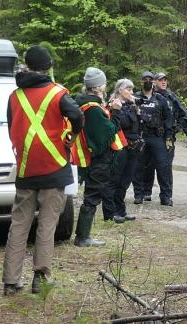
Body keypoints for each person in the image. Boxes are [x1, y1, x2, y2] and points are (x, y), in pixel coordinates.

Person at [3, 45, 83, 295]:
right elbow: (78, 116)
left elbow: (13, 127)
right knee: (47, 225)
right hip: (54, 168)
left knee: (18, 225)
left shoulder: (14, 96)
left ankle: (10, 282)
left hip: (26, 169)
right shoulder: (58, 93)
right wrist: (70, 137)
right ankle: (40, 278)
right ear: (48, 66)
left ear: (26, 65)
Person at [72, 67, 124, 247]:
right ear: (97, 87)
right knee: (92, 195)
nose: (105, 85)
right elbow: (107, 133)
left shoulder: (88, 103)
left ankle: (83, 235)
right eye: (104, 83)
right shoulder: (92, 108)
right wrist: (116, 112)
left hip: (93, 157)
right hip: (98, 158)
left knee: (92, 194)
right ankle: (83, 237)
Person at [140, 72, 187, 206]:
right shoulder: (148, 95)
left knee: (165, 166)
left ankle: (166, 195)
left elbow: (184, 115)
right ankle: (146, 191)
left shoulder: (171, 97)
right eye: (161, 80)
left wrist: (175, 129)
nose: (164, 82)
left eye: (165, 80)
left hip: (167, 137)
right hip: (150, 135)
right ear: (154, 82)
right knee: (147, 164)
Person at [102, 79, 140, 223]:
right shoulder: (113, 104)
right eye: (128, 89)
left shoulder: (132, 105)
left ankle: (121, 211)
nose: (131, 93)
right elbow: (121, 124)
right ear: (119, 90)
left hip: (133, 148)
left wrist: (137, 110)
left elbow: (139, 125)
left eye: (132, 90)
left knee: (125, 181)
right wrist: (132, 111)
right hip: (119, 147)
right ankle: (110, 213)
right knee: (114, 180)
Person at [132, 71, 172, 205]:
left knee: (163, 166)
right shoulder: (135, 98)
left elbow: (168, 119)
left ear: (154, 82)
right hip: (141, 137)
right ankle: (139, 194)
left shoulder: (161, 99)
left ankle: (165, 196)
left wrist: (168, 136)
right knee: (138, 167)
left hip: (157, 137)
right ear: (141, 82)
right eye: (145, 79)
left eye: (150, 79)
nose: (148, 81)